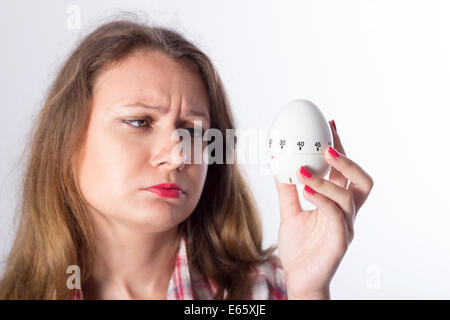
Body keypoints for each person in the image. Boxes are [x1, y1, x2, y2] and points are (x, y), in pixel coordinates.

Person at [0, 18, 373, 300]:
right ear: (67, 140)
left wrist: (308, 290)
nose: (178, 156)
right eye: (138, 121)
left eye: (194, 131)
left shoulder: (261, 292)